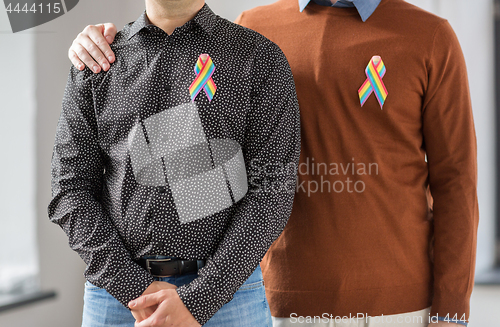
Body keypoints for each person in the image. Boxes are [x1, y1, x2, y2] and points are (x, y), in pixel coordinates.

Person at [67, 0, 479, 326]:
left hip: (398, 307)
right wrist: (107, 52)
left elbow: (456, 182)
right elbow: (210, 166)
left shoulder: (429, 36)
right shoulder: (254, 29)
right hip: (277, 299)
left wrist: (450, 312)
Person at [49, 0, 300, 326]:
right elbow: (69, 190)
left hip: (229, 297)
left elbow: (272, 191)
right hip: (116, 299)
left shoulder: (258, 58)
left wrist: (201, 298)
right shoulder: (98, 61)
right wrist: (133, 287)